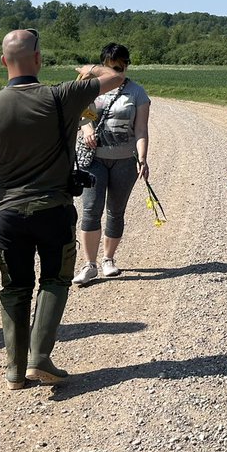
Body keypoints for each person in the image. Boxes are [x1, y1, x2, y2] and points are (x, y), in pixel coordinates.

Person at [0, 29, 123, 389]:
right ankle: (40, 358)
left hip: (9, 213)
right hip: (54, 208)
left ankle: (15, 370)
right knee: (55, 279)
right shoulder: (61, 95)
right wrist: (89, 67)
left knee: (14, 287)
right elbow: (117, 76)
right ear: (39, 59)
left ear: (3, 62)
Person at [73, 43, 151, 285]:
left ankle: (108, 259)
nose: (114, 73)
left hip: (124, 161)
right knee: (90, 210)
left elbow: (141, 129)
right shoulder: (90, 87)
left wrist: (142, 158)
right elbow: (80, 113)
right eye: (109, 68)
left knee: (115, 212)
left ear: (126, 65)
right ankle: (89, 264)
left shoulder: (137, 93)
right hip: (93, 159)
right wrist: (86, 129)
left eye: (118, 68)